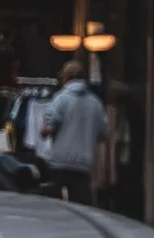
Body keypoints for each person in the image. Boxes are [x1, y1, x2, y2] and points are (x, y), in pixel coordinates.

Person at [36, 65, 115, 205]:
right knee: (80, 207)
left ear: (65, 77)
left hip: (59, 162)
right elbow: (103, 135)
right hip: (83, 165)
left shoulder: (60, 98)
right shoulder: (95, 103)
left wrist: (42, 133)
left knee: (55, 207)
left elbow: (49, 128)